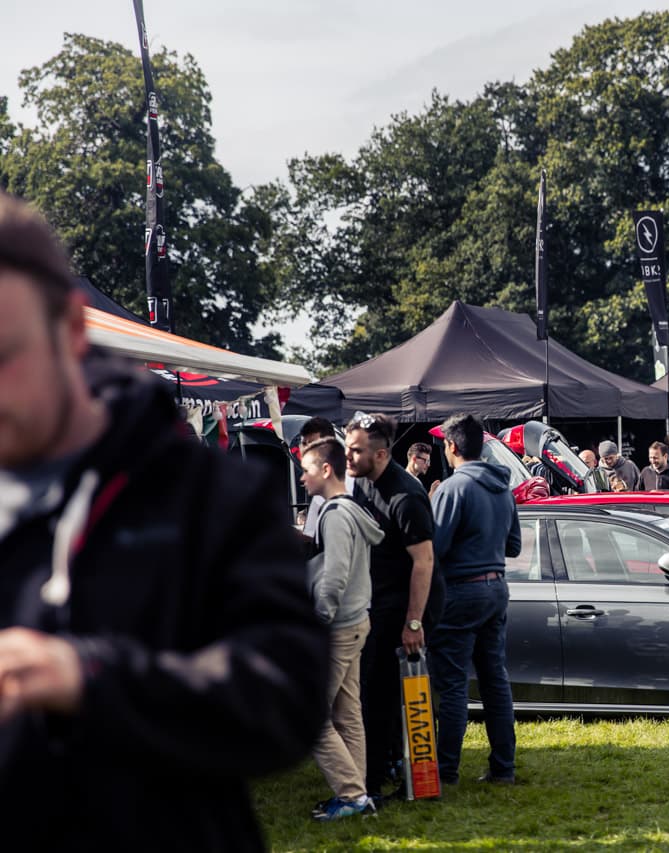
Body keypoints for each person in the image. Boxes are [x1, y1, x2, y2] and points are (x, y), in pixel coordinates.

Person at [0, 192, 328, 850]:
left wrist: (90, 676)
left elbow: (288, 695)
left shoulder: (206, 492)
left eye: (5, 353)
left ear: (70, 330)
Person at [344, 410, 442, 799]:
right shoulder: (363, 483)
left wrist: (414, 623)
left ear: (381, 454)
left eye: (356, 450)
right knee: (376, 692)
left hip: (407, 606)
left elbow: (424, 562)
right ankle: (383, 770)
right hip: (378, 600)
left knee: (383, 694)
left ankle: (375, 783)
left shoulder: (406, 495)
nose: (348, 456)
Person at [429, 413, 522, 785]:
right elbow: (513, 546)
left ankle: (446, 771)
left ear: (451, 446)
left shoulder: (453, 488)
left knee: (453, 685)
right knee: (495, 681)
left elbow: (433, 550)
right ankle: (503, 768)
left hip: (461, 590)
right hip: (496, 587)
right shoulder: (503, 487)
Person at [300, 437, 385, 820]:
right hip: (355, 622)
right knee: (348, 715)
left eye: (306, 469)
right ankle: (358, 795)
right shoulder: (350, 508)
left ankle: (352, 796)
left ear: (325, 469)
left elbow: (334, 578)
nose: (301, 478)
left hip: (338, 628)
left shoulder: (335, 515)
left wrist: (318, 621)